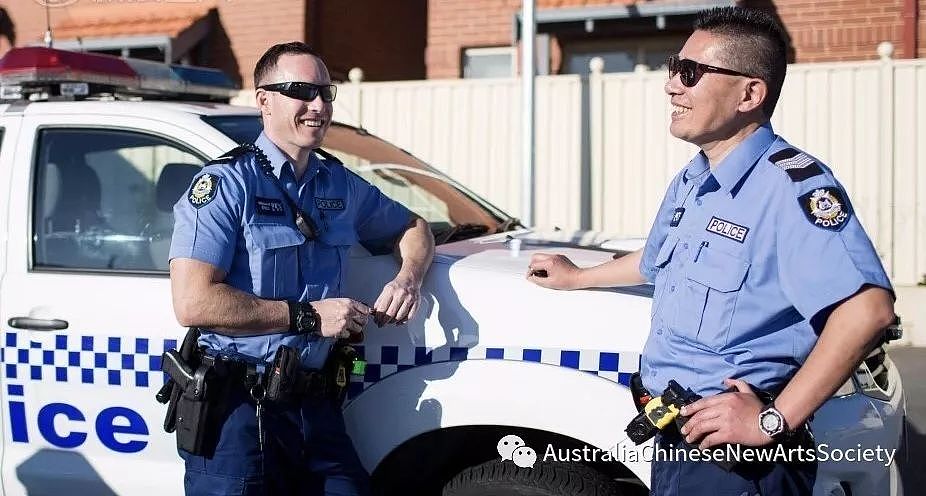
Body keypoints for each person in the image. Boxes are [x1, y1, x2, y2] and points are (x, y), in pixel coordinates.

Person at [527, 7, 895, 495]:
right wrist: (576, 277)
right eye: (673, 68)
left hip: (740, 463)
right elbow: (657, 260)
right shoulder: (695, 178)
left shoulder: (789, 188)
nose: (672, 86)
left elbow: (868, 310)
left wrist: (772, 422)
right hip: (675, 436)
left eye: (690, 72)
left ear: (750, 93)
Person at [168, 41, 434, 495]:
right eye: (301, 91)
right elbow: (193, 302)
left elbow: (413, 226)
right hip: (237, 412)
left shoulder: (340, 184)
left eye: (326, 93)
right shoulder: (225, 185)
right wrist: (309, 316)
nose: (318, 105)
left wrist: (408, 278)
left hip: (315, 404)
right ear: (264, 100)